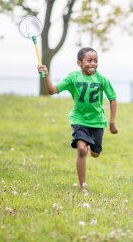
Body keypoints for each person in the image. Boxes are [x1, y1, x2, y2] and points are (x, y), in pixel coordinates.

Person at [38, 47, 118, 193]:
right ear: (79, 63)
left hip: (97, 121)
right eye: (89, 60)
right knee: (82, 150)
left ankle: (90, 144)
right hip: (79, 119)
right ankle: (83, 186)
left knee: (95, 153)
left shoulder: (101, 79)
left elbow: (112, 98)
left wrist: (112, 122)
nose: (93, 63)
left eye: (96, 61)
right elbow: (52, 90)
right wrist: (46, 76)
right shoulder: (73, 78)